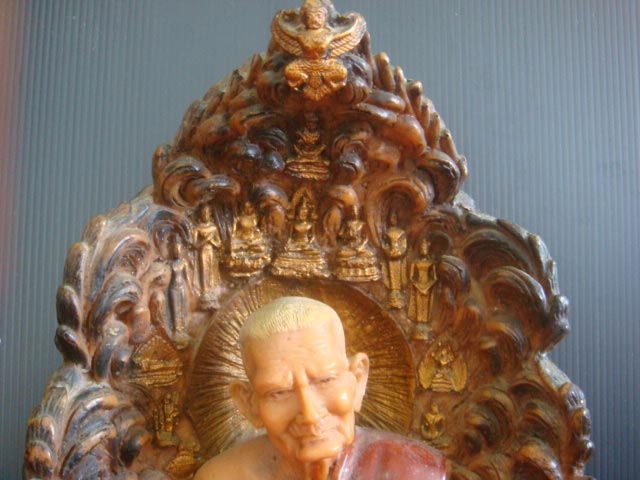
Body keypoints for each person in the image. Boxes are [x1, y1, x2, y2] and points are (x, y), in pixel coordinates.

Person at [194, 296, 447, 480]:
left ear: (358, 379)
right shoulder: (222, 477)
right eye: (279, 393)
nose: (310, 414)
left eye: (326, 381)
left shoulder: (417, 473)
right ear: (248, 404)